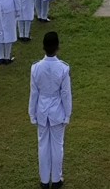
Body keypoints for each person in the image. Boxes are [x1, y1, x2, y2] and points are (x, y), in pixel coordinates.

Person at [28, 31, 71, 189]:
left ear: (43, 47)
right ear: (57, 47)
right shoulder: (63, 68)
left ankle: (44, 180)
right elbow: (66, 94)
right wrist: (67, 114)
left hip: (42, 109)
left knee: (43, 145)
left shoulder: (36, 68)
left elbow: (34, 93)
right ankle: (56, 178)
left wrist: (32, 113)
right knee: (57, 145)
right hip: (57, 110)